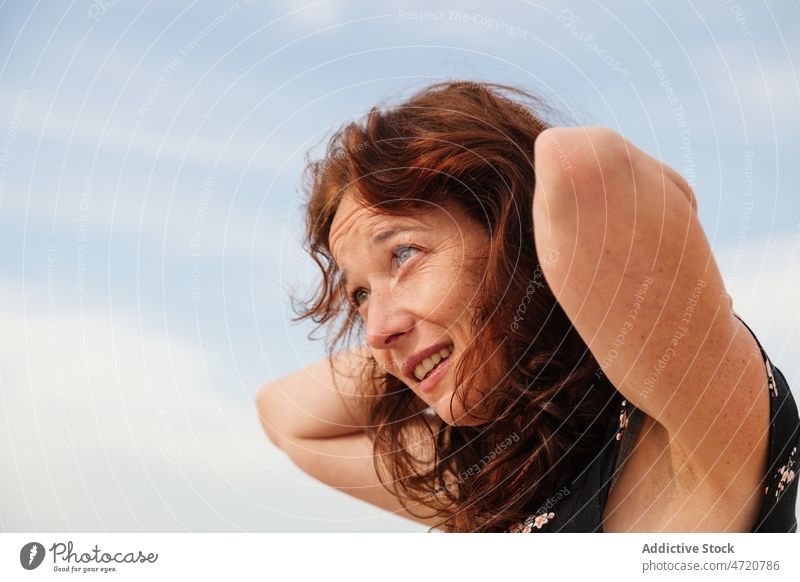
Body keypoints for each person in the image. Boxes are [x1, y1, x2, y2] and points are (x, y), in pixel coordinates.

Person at [256, 80, 799, 533]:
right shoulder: (492, 475)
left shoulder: (682, 426)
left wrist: (513, 292)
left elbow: (582, 170)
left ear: (512, 232)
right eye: (361, 295)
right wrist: (421, 336)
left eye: (403, 253)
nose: (372, 329)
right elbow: (285, 414)